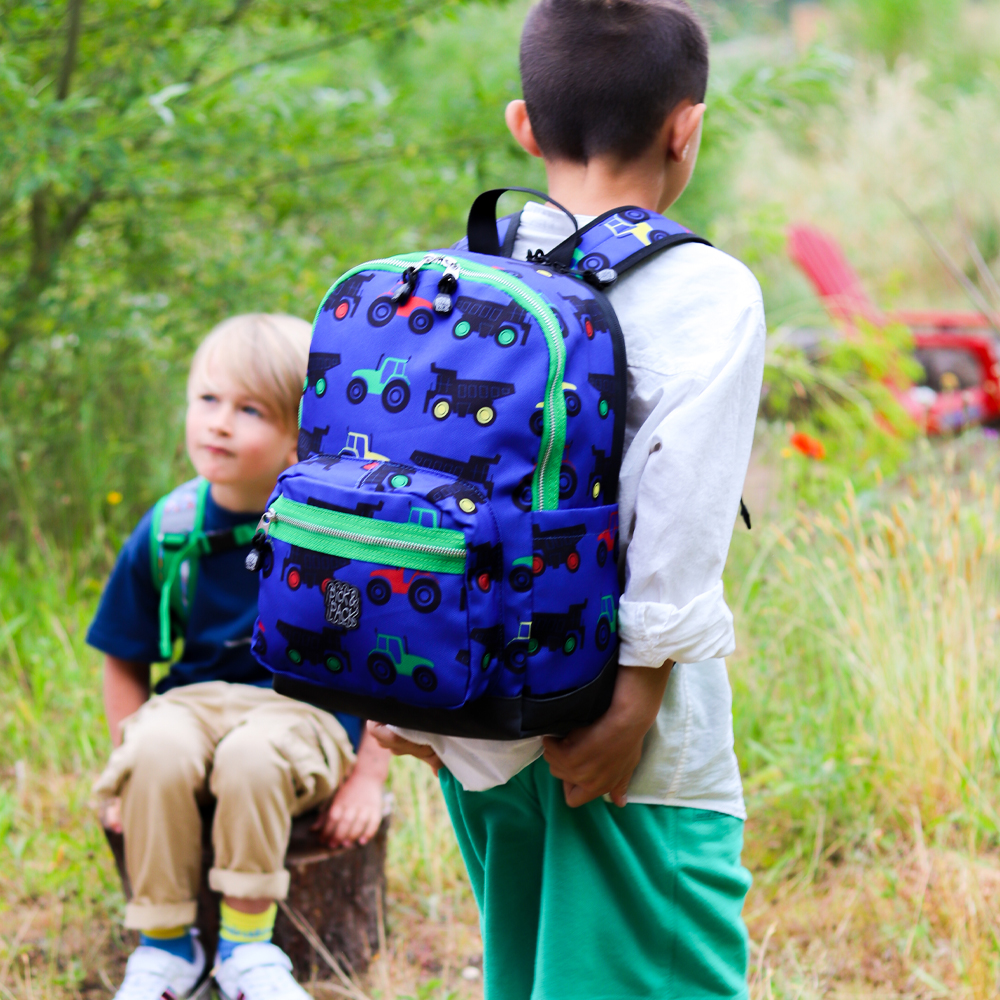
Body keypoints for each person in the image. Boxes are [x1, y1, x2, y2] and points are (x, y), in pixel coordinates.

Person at [371, 2, 766, 997]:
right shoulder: (705, 292)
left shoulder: (465, 275)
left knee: (531, 969)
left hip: (482, 715)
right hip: (628, 737)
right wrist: (635, 692)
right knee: (658, 974)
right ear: (687, 126)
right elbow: (681, 506)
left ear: (524, 126)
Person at [90, 314, 391, 1000]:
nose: (219, 423)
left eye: (249, 410)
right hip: (193, 706)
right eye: (208, 399)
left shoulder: (328, 545)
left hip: (298, 714)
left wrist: (368, 777)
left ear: (298, 439)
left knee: (250, 758)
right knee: (159, 746)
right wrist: (126, 765)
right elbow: (123, 654)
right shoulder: (171, 530)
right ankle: (167, 947)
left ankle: (246, 950)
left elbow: (369, 658)